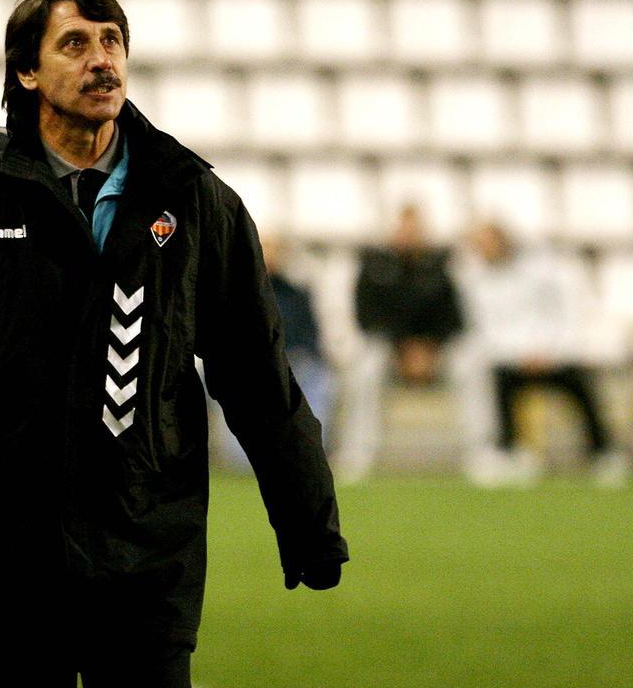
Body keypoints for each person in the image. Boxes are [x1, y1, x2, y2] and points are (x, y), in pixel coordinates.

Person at [0, 0, 348, 688]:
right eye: (75, 44)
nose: (101, 60)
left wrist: (309, 520)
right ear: (25, 73)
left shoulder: (195, 200)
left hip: (143, 556)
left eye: (112, 40)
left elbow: (257, 376)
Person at [461, 221, 629, 487]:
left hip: (552, 354)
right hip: (509, 359)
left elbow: (561, 315)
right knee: (493, 380)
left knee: (581, 386)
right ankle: (509, 451)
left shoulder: (540, 271)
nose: (485, 248)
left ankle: (602, 451)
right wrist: (519, 355)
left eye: (489, 241)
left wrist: (545, 351)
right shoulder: (473, 280)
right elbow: (485, 328)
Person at [337, 203, 471, 480]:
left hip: (434, 351)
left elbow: (453, 317)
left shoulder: (440, 267)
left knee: (470, 364)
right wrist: (402, 349)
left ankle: (480, 450)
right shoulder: (374, 267)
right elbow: (366, 316)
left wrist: (430, 347)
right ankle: (358, 451)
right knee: (366, 368)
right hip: (390, 350)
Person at [209, 234, 334, 469]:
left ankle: (307, 450)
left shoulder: (296, 294)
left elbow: (310, 338)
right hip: (247, 369)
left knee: (318, 377)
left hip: (292, 366)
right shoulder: (230, 292)